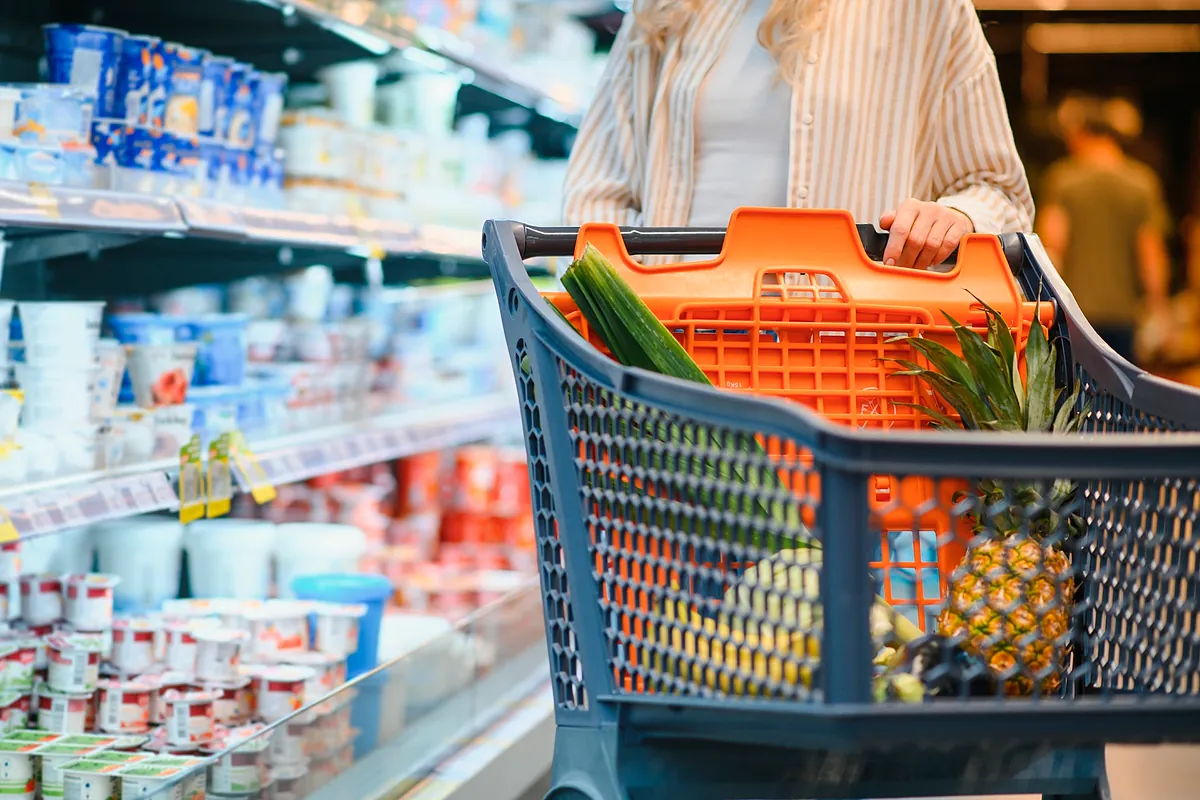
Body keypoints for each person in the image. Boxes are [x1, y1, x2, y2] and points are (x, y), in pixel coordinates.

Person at [563, 0, 1034, 269]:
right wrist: (621, 318)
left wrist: (953, 218)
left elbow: (1000, 195)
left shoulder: (923, 12)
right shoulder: (662, 11)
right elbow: (597, 190)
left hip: (851, 363)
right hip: (672, 348)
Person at [1036, 94, 1171, 364]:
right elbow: (1150, 254)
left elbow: (1052, 248)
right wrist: (1159, 310)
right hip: (1124, 317)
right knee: (1119, 397)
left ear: (1083, 134)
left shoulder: (1063, 180)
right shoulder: (1142, 182)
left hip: (1074, 314)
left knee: (1076, 396)